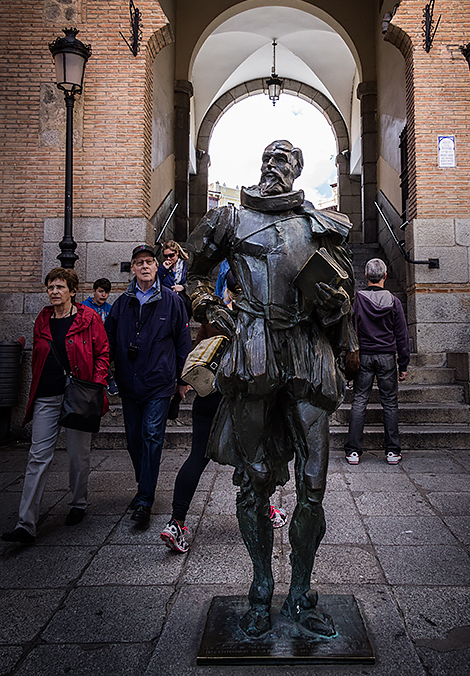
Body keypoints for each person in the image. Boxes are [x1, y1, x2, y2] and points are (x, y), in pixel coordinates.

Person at [184, 140, 354, 638]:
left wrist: (335, 305)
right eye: (267, 158)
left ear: (299, 169)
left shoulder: (320, 225)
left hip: (305, 348)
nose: (273, 166)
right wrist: (208, 307)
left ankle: (301, 591)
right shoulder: (229, 220)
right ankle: (261, 587)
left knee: (314, 485)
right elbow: (193, 273)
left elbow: (343, 301)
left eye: (284, 159)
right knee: (254, 479)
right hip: (254, 347)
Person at [160, 272, 287, 554]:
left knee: (196, 458)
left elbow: (199, 350)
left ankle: (176, 522)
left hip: (208, 398)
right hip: (242, 403)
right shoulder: (258, 319)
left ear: (227, 289)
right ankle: (266, 510)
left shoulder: (213, 316)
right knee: (254, 458)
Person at [1, 268, 109, 544]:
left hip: (78, 394)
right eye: (50, 287)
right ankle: (26, 523)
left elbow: (103, 353)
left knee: (77, 454)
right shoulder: (43, 319)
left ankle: (78, 503)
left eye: (60, 287)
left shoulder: (88, 318)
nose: (54, 291)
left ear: (72, 291)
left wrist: (95, 386)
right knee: (38, 455)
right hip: (46, 395)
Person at [105, 244, 192, 525]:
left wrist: (182, 379)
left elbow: (182, 341)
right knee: (133, 442)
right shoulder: (121, 303)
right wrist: (106, 374)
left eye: (149, 262)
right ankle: (145, 485)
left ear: (157, 267)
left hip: (159, 382)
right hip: (129, 383)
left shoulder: (171, 300)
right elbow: (107, 341)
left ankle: (144, 501)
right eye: (139, 262)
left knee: (152, 437)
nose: (144, 266)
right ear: (132, 268)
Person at [344, 258, 409, 466]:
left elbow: (349, 331)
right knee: (389, 403)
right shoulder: (394, 301)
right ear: (385, 276)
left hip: (363, 356)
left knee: (359, 401)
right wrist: (404, 364)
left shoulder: (357, 299)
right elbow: (402, 335)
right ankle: (392, 452)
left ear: (366, 275)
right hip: (387, 357)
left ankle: (353, 452)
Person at [83, 278, 118, 395]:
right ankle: (109, 378)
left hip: (106, 343)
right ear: (93, 291)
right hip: (88, 342)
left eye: (107, 292)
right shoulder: (83, 307)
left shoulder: (110, 308)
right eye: (101, 291)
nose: (104, 295)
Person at [158, 240, 193, 319]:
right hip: (167, 303)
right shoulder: (163, 267)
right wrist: (163, 269)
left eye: (171, 255)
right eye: (165, 256)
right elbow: (154, 281)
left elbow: (194, 281)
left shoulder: (187, 265)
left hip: (183, 303)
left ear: (177, 252)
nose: (168, 258)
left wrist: (183, 287)